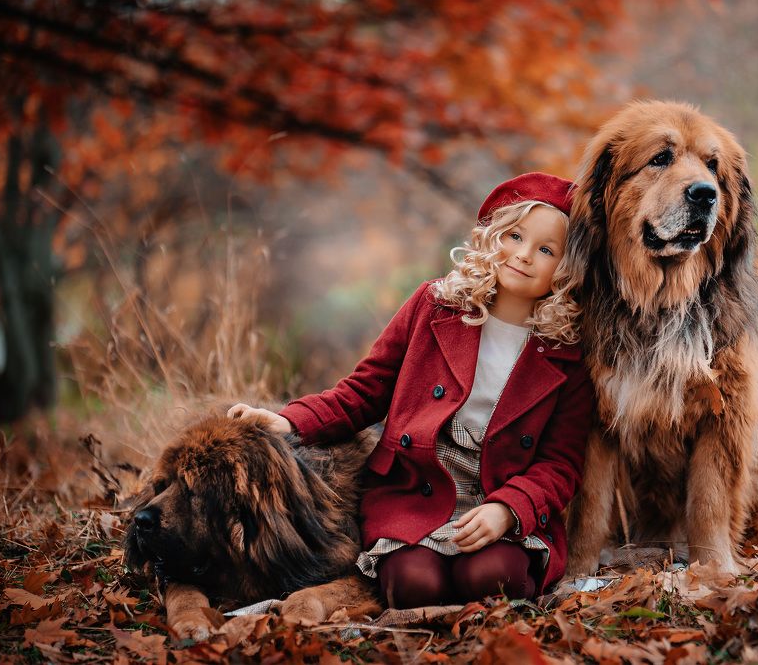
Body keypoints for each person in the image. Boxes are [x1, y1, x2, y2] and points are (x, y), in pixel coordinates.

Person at [228, 172, 594, 608]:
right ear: (492, 235)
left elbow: (560, 464)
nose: (523, 255)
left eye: (546, 250)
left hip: (498, 498)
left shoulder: (566, 352)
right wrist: (290, 420)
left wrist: (509, 509)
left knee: (494, 580)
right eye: (514, 236)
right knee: (413, 587)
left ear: (567, 270)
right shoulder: (434, 306)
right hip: (416, 487)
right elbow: (364, 391)